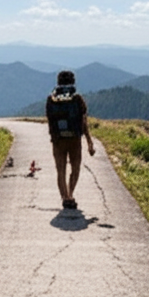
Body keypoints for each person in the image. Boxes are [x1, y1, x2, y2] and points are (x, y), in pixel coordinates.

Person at [45, 70, 95, 209]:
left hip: (58, 140)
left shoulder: (51, 99)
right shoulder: (77, 98)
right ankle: (70, 194)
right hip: (74, 139)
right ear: (73, 82)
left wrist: (54, 136)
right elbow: (84, 122)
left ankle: (65, 197)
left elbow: (49, 120)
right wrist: (89, 142)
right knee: (75, 168)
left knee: (60, 170)